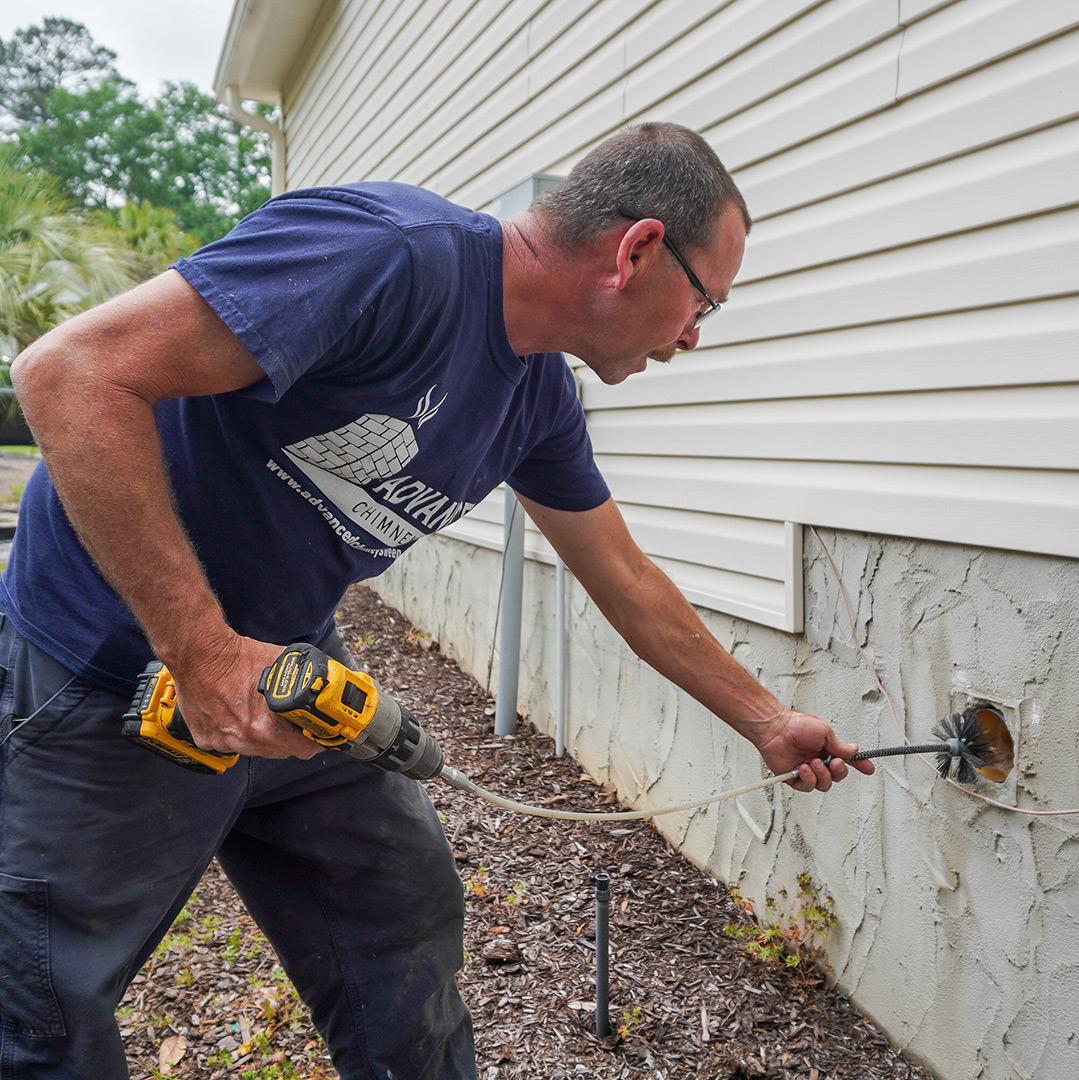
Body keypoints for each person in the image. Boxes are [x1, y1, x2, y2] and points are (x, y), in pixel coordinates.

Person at [0, 122, 871, 1079]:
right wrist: (202, 655)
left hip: (287, 671)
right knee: (45, 1011)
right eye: (703, 301)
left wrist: (767, 719)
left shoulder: (536, 398)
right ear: (637, 252)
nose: (694, 336)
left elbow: (623, 576)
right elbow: (69, 373)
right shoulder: (386, 256)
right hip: (109, 670)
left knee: (398, 910)